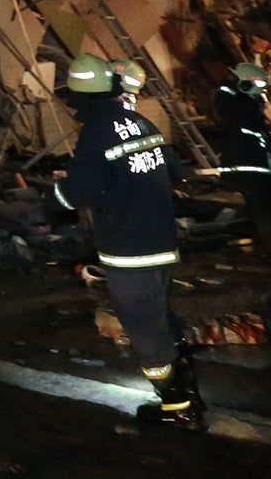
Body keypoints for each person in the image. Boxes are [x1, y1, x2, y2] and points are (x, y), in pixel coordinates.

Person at [54, 53, 202, 430]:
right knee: (160, 315)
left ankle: (178, 407)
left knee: (143, 326)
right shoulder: (140, 121)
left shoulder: (95, 132)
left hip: (129, 249)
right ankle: (187, 385)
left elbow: (82, 190)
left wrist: (53, 199)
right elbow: (173, 170)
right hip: (162, 241)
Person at [213, 61, 271, 267]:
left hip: (252, 172)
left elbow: (222, 98)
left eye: (236, 79)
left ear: (245, 85)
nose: (231, 81)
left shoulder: (240, 106)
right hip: (261, 171)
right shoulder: (250, 105)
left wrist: (230, 83)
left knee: (267, 216)